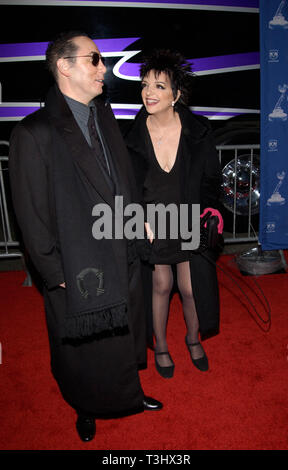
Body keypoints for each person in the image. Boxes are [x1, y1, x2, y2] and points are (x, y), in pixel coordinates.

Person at [9, 31, 162, 443]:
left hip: (121, 243)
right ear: (64, 65)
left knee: (126, 327)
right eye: (94, 59)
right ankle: (86, 405)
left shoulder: (103, 115)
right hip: (78, 262)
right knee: (84, 346)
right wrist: (50, 268)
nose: (103, 69)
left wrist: (138, 217)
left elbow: (122, 178)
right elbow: (31, 212)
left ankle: (130, 392)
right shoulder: (34, 132)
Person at [124, 49, 223, 379]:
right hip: (154, 223)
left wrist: (210, 210)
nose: (149, 93)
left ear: (176, 95)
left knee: (192, 287)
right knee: (162, 285)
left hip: (189, 219)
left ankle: (193, 339)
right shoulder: (131, 137)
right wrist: (138, 216)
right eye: (145, 85)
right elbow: (126, 187)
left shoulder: (199, 132)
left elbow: (211, 179)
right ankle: (162, 346)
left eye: (159, 86)